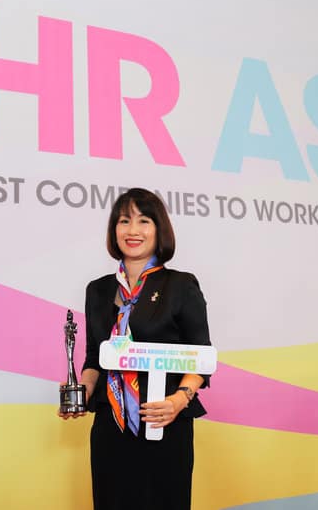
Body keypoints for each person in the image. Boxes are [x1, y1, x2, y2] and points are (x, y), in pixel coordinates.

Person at [59, 187, 212, 510]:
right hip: (111, 427)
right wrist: (82, 391)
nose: (133, 230)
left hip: (164, 421)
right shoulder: (98, 290)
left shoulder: (180, 285)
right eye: (124, 221)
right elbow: (95, 357)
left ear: (159, 230)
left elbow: (200, 356)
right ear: (114, 229)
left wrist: (179, 400)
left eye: (144, 221)